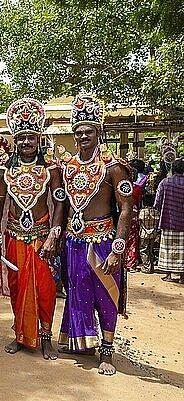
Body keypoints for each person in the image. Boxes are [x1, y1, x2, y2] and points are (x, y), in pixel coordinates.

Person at [58, 95, 133, 375]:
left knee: (106, 296)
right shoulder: (66, 167)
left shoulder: (114, 167)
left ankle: (107, 351)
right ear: (74, 135)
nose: (83, 135)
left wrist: (118, 248)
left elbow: (126, 210)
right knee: (77, 293)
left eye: (89, 130)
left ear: (98, 132)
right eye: (78, 132)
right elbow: (61, 206)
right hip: (74, 242)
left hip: (103, 242)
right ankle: (83, 343)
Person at [0, 98, 64, 360]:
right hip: (14, 237)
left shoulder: (51, 169)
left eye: (31, 138)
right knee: (17, 287)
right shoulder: (4, 169)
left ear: (39, 140)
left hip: (42, 237)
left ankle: (46, 337)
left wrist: (53, 234)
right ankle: (21, 335)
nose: (26, 143)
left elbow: (60, 204)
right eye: (21, 138)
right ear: (15, 140)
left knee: (46, 290)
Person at [154, 158, 184, 283]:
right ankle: (182, 277)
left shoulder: (164, 183)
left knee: (168, 248)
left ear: (172, 169)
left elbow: (157, 203)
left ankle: (169, 275)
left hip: (168, 220)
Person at [139, 193, 160, 274]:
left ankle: (147, 267)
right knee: (151, 250)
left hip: (144, 234)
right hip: (153, 234)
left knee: (143, 250)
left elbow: (139, 221)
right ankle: (151, 267)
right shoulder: (156, 212)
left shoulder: (142, 212)